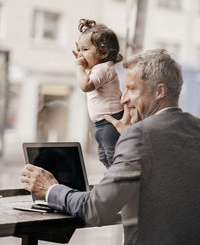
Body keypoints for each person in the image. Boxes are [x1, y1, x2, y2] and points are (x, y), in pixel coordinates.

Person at [21, 49, 200, 245]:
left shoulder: (140, 135)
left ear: (160, 91)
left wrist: (50, 189)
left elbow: (97, 209)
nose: (123, 99)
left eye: (131, 89)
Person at [72, 19, 124, 168]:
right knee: (104, 157)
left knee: (113, 158)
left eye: (85, 50)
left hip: (111, 122)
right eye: (79, 50)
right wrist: (83, 60)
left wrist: (78, 67)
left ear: (102, 53)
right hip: (103, 124)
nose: (80, 55)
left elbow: (85, 85)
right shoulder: (99, 69)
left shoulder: (104, 69)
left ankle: (116, 182)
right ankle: (112, 179)